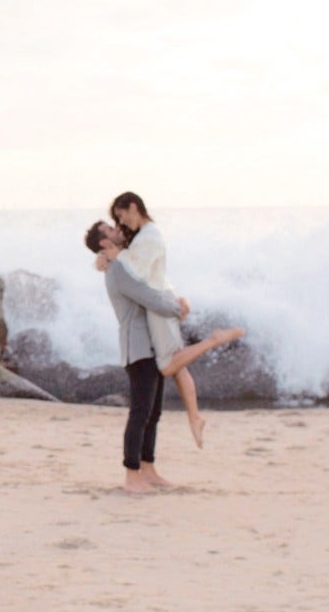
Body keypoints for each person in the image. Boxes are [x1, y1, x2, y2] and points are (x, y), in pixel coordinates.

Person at [84, 220, 235, 494]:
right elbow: (147, 297)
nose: (118, 230)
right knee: (140, 413)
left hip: (150, 345)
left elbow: (148, 275)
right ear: (104, 243)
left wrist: (176, 302)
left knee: (153, 414)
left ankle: (148, 470)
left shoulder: (121, 261)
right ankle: (132, 476)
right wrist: (176, 309)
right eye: (111, 230)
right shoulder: (117, 270)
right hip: (137, 348)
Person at [109, 192, 242, 447]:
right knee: (177, 365)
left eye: (122, 214)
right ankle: (194, 418)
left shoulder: (150, 235)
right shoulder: (146, 236)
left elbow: (138, 271)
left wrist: (115, 256)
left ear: (133, 207)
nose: (122, 222)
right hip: (162, 300)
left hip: (160, 306)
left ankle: (214, 340)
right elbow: (149, 271)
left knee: (169, 365)